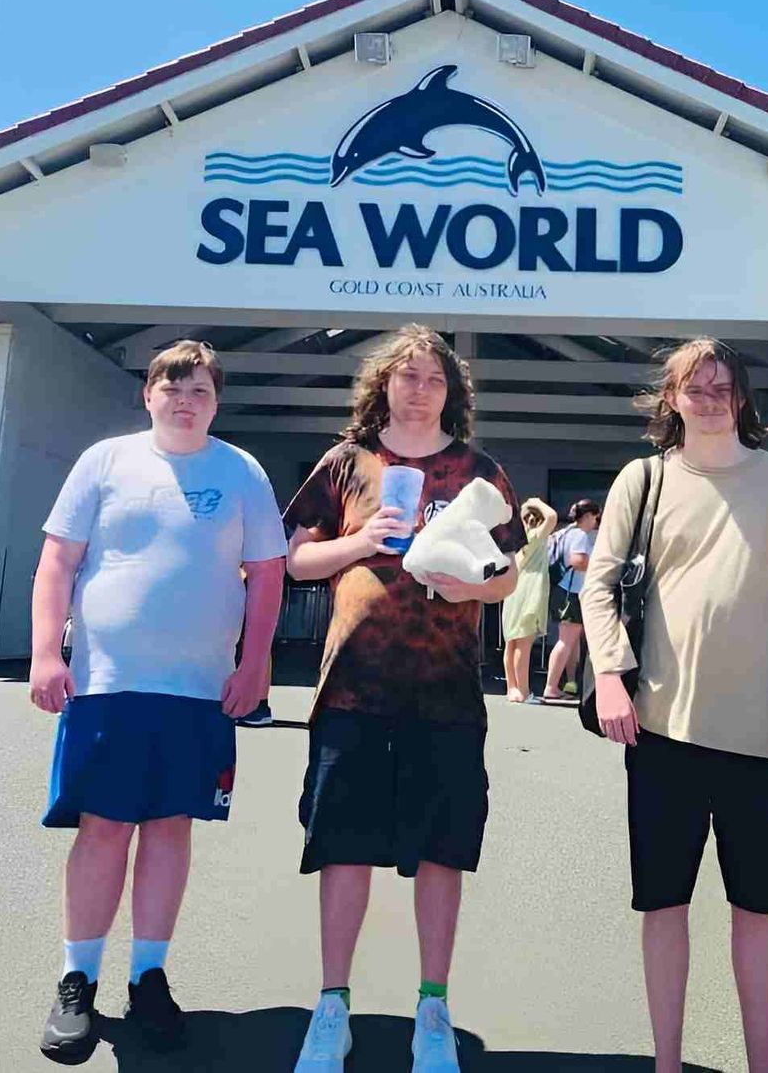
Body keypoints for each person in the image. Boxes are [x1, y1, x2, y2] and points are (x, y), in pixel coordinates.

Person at [29, 340, 287, 1064]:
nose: (186, 400)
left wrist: (257, 662)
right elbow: (58, 561)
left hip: (200, 691)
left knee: (172, 827)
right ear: (148, 394)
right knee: (104, 828)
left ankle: (149, 977)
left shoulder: (241, 471)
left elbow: (267, 574)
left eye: (200, 390)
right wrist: (47, 652)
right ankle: (76, 979)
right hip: (108, 682)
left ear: (216, 402)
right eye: (173, 388)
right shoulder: (105, 462)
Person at [581, 338, 768, 1073]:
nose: (712, 396)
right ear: (672, 399)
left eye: (725, 386)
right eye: (697, 386)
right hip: (658, 731)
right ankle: (667, 1063)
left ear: (745, 398)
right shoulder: (644, 479)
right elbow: (599, 585)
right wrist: (608, 676)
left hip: (762, 741)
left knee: (757, 911)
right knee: (664, 906)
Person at [282, 325, 525, 1073]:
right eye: (406, 376)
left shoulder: (479, 471)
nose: (418, 388)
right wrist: (362, 544)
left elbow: (509, 574)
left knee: (442, 849)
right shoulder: (345, 463)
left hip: (446, 693)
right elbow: (295, 560)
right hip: (353, 690)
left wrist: (474, 586)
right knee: (343, 848)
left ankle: (433, 1007)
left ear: (452, 393)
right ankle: (332, 1006)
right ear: (382, 385)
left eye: (433, 379)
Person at [539, 498, 600, 704]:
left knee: (570, 641)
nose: (596, 521)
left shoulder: (562, 533)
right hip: (571, 592)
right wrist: (600, 565)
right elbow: (578, 561)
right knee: (566, 641)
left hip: (560, 590)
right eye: (595, 517)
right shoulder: (580, 535)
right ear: (588, 516)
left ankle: (568, 683)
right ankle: (551, 686)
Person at [501, 497, 558, 704]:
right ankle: (524, 692)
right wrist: (536, 501)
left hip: (512, 592)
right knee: (523, 644)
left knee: (511, 643)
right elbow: (552, 516)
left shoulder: (513, 542)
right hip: (529, 592)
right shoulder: (535, 537)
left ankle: (512, 688)